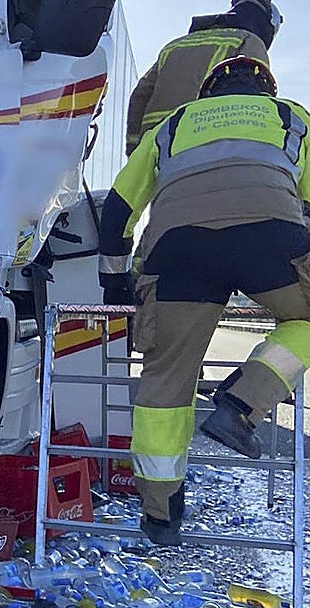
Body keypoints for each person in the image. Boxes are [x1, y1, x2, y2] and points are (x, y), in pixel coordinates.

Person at [98, 56, 310, 547]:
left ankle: (161, 516)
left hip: (177, 250)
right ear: (266, 91)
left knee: (165, 381)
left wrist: (113, 283)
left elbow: (119, 207)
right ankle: (240, 405)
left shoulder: (173, 126)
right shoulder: (291, 117)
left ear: (207, 92)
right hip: (270, 237)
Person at [126, 0, 282, 155]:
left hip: (155, 145)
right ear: (264, 25)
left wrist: (135, 151)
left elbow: (139, 96)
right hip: (207, 144)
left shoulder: (173, 47)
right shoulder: (247, 41)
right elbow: (259, 99)